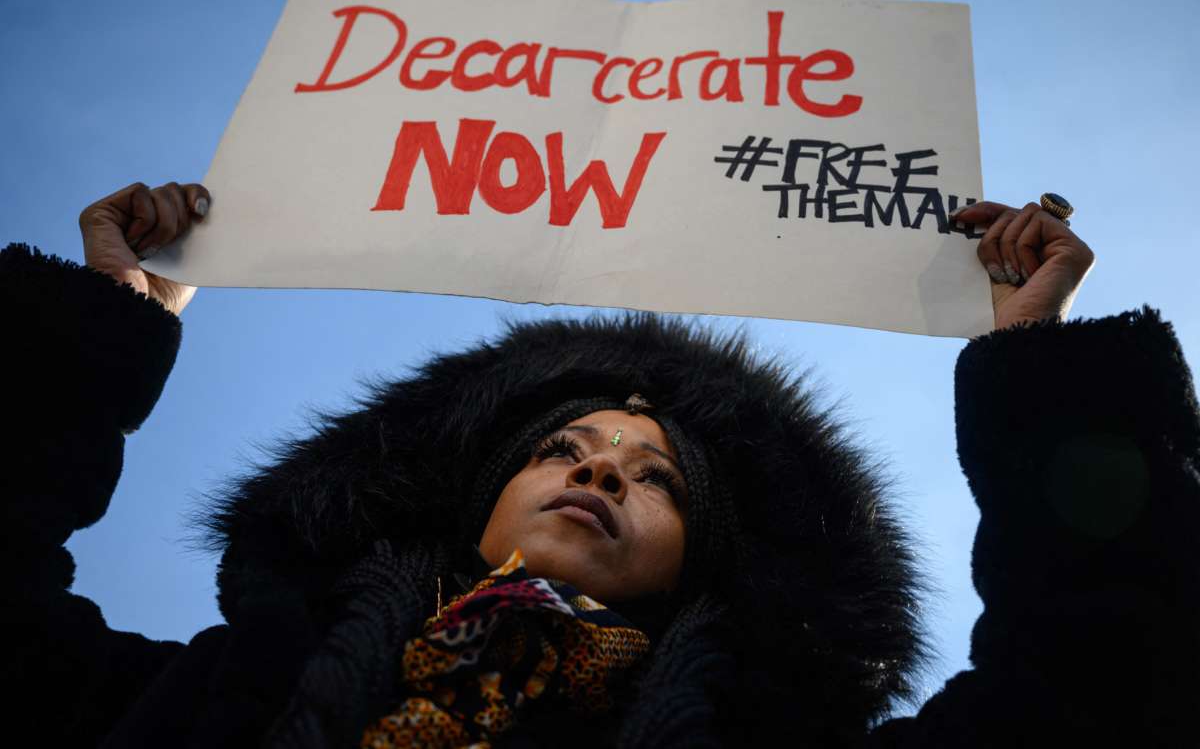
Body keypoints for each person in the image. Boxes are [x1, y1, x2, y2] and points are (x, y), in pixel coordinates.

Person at [3, 180, 1196, 748]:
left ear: (710, 557)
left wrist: (1039, 366)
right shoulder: (196, 713)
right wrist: (106, 324)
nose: (603, 472)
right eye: (560, 448)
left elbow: (1104, 684)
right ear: (477, 498)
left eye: (659, 475)